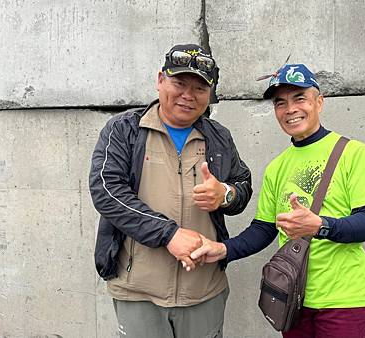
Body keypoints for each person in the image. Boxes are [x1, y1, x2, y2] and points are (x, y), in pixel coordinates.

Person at [192, 63, 365, 338]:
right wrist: (223, 250)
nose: (290, 109)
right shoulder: (277, 167)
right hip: (291, 299)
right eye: (280, 103)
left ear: (319, 102)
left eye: (299, 98)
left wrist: (319, 225)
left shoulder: (353, 153)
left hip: (344, 301)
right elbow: (263, 229)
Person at [89, 43, 252, 338]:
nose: (189, 95)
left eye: (200, 88)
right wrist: (169, 234)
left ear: (210, 94)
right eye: (179, 83)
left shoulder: (219, 137)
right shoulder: (125, 129)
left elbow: (242, 186)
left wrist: (225, 194)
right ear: (160, 80)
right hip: (138, 290)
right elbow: (106, 190)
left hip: (204, 289)